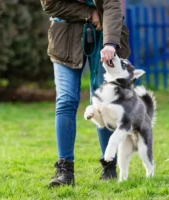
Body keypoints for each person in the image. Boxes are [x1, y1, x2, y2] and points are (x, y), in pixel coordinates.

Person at [40, 0, 131, 187]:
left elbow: (113, 6)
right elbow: (50, 4)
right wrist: (89, 13)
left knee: (103, 103)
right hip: (64, 36)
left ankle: (109, 165)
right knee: (66, 100)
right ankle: (65, 171)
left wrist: (111, 43)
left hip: (105, 36)